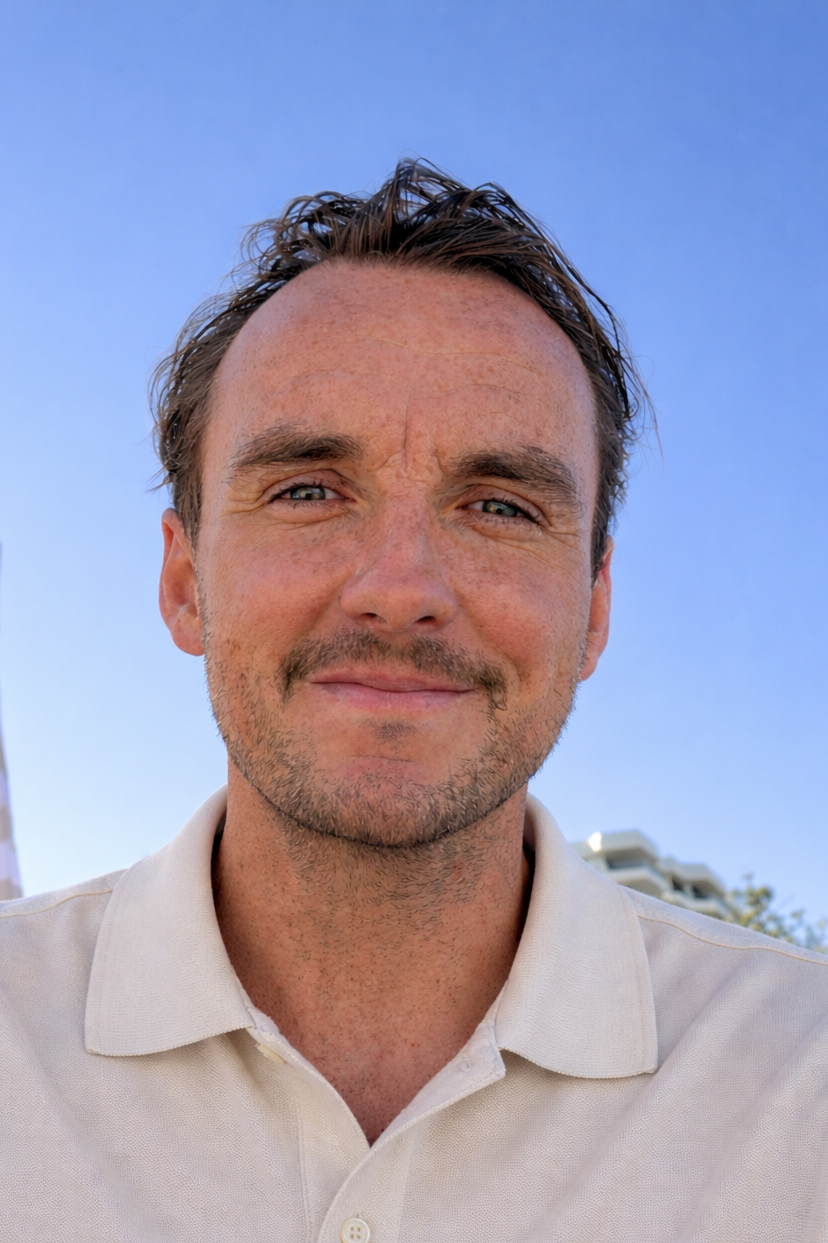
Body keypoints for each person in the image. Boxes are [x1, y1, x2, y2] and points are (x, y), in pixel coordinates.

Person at [1, 161, 826, 1243]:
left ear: (595, 608)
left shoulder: (803, 1085)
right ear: (183, 581)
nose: (401, 589)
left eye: (497, 504)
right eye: (306, 489)